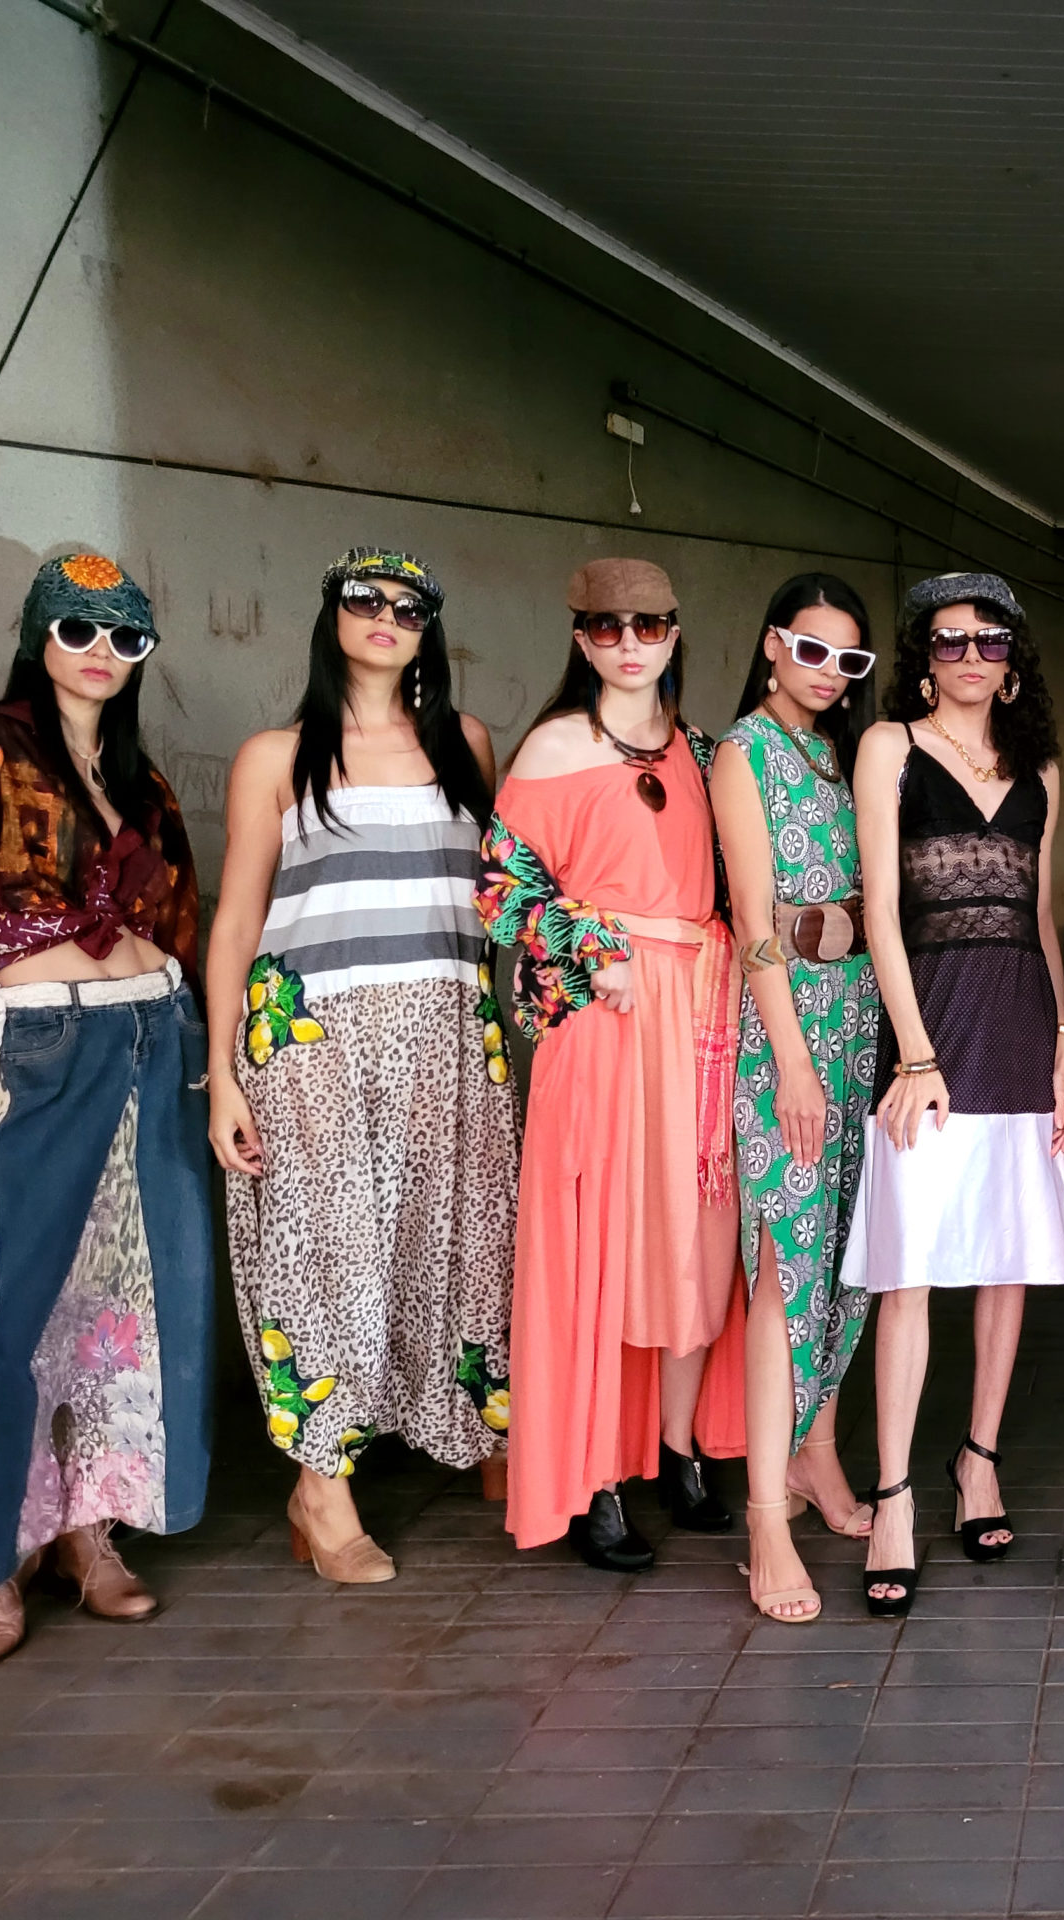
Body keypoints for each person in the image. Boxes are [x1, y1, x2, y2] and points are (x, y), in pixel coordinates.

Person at [0, 553, 214, 1667]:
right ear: (38, 634)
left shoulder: (142, 781)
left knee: (125, 1302)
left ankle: (91, 1531)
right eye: (78, 627)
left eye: (126, 636)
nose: (101, 652)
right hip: (36, 1047)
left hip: (151, 1038)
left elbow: (184, 929)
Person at [206, 549, 513, 1585]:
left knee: (452, 1245)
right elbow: (237, 920)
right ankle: (321, 1489)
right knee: (322, 1258)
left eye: (410, 605)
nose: (387, 615)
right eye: (364, 598)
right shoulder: (276, 756)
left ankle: (472, 1430)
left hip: (447, 1034)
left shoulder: (465, 743)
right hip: (312, 1042)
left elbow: (501, 896)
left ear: (430, 630)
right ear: (330, 614)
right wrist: (224, 1075)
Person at [483, 558, 742, 1571]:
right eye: (605, 626)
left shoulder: (704, 751)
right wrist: (592, 944)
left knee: (698, 1235)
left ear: (675, 632)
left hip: (703, 1008)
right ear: (579, 636)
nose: (628, 643)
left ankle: (678, 1449)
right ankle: (594, 1477)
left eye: (648, 625)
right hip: (609, 1011)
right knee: (600, 1235)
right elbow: (501, 889)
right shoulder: (555, 744)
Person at [842, 571, 1064, 1618]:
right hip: (929, 1036)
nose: (972, 656)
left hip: (1022, 1031)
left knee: (1005, 1262)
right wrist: (914, 1054)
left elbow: (1037, 920)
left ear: (1013, 658)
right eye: (950, 641)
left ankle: (977, 1459)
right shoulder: (888, 747)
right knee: (910, 1270)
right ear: (923, 659)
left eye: (990, 640)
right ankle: (893, 1494)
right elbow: (881, 913)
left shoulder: (1041, 769)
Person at [711, 573, 884, 1622]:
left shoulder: (844, 755)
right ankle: (764, 1517)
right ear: (773, 645)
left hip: (858, 1015)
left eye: (847, 659)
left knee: (845, 1252)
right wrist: (792, 1061)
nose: (827, 672)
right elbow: (753, 918)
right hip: (789, 1031)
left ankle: (816, 1452)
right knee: (783, 1257)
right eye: (811, 649)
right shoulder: (746, 753)